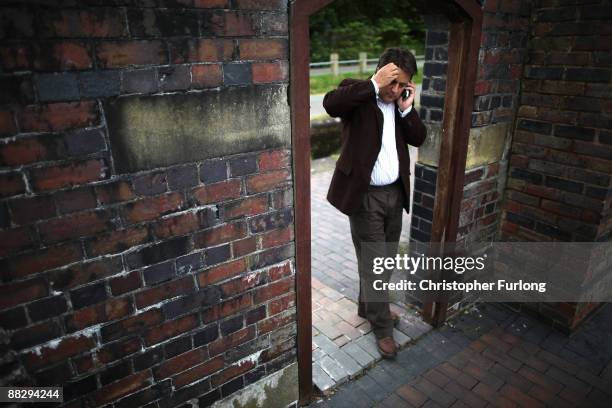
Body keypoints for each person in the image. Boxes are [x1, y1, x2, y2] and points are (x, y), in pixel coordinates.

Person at [323, 47, 427, 358]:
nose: (395, 90)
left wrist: (408, 108)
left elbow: (419, 138)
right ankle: (382, 328)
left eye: (402, 85)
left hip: (395, 195)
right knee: (376, 266)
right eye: (392, 82)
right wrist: (372, 84)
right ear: (381, 73)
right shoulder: (356, 93)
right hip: (364, 197)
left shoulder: (399, 104)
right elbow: (330, 104)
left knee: (385, 260)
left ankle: (367, 307)